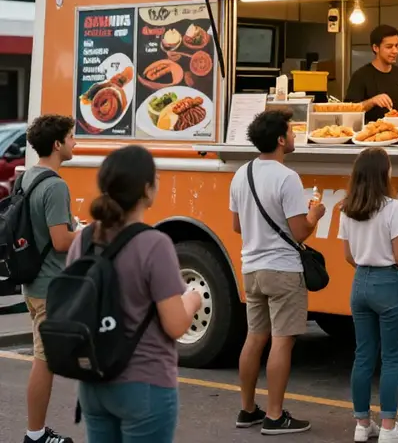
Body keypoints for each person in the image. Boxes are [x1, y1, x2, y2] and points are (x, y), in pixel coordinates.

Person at [67, 145, 202, 443]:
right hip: (145, 385)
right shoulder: (154, 244)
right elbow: (176, 324)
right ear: (146, 188)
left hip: (94, 382)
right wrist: (193, 298)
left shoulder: (84, 241)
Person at [230, 109, 327, 435]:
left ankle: (247, 409)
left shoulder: (241, 174)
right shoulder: (287, 177)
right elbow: (299, 232)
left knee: (254, 338)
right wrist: (316, 214)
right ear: (281, 139)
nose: (296, 136)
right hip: (283, 270)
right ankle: (274, 415)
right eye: (292, 131)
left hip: (251, 267)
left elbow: (236, 225)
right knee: (282, 342)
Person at [340, 148, 398, 443]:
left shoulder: (347, 208)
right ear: (382, 173)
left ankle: (363, 424)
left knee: (363, 355)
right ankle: (389, 426)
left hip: (360, 282)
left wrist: (367, 264)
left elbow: (348, 255)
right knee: (392, 359)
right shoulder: (393, 208)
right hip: (389, 284)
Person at [21, 114, 78, 443]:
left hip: (33, 283)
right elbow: (60, 241)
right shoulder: (55, 185)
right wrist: (88, 232)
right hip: (50, 286)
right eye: (71, 137)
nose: (75, 143)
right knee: (44, 361)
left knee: (46, 357)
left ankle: (37, 432)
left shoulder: (28, 177)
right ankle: (36, 435)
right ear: (57, 145)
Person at [345, 25, 398, 123]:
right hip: (371, 135)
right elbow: (349, 111)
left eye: (397, 46)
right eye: (389, 47)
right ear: (376, 48)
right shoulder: (360, 76)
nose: (395, 51)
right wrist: (372, 101)